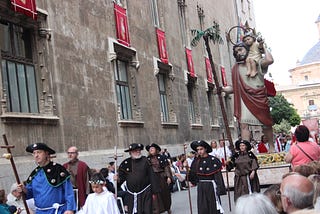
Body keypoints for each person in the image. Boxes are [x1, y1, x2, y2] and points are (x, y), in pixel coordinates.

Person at [230, 41, 274, 150]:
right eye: (236, 52)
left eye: (240, 50)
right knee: (244, 124)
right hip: (244, 99)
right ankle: (246, 150)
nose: (238, 53)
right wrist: (222, 89)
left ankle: (272, 147)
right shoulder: (235, 68)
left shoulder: (257, 62)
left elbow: (269, 60)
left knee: (266, 124)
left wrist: (262, 47)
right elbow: (234, 88)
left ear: (247, 50)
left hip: (259, 97)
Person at [19, 142, 76, 214]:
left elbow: (69, 192)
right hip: (40, 212)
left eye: (39, 152)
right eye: (34, 153)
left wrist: (70, 209)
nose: (36, 155)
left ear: (46, 153)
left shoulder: (58, 169)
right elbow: (30, 193)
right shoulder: (34, 174)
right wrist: (23, 189)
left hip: (57, 211)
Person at [116, 143, 160, 214]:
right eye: (135, 151)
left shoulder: (145, 161)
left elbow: (152, 175)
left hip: (146, 191)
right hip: (131, 194)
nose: (138, 152)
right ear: (130, 152)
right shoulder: (126, 163)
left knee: (147, 211)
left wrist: (155, 192)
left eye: (139, 150)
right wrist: (117, 179)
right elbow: (121, 178)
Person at [188, 140, 226, 214]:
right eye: (198, 150)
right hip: (201, 187)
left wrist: (219, 189)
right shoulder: (196, 161)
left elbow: (218, 176)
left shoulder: (213, 160)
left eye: (201, 149)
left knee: (213, 206)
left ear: (205, 149)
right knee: (203, 207)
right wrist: (187, 170)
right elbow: (193, 175)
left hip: (211, 186)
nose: (199, 151)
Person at [146, 143, 173, 214]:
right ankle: (157, 210)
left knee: (165, 193)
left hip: (161, 177)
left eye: (152, 148)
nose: (151, 149)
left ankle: (167, 208)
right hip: (152, 179)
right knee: (156, 195)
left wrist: (169, 177)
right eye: (150, 149)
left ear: (156, 149)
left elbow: (166, 167)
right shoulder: (147, 159)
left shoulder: (162, 157)